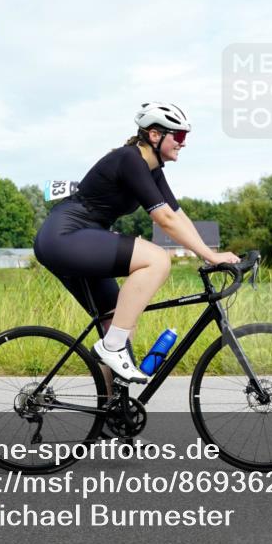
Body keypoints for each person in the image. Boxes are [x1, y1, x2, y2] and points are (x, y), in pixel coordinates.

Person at [32, 102, 241, 383]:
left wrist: (208, 254)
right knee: (157, 259)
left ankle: (110, 414)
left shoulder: (152, 170)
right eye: (178, 136)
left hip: (81, 238)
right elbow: (164, 219)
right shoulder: (130, 159)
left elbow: (177, 215)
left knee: (120, 323)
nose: (183, 143)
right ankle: (112, 347)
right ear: (155, 135)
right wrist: (210, 256)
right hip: (65, 236)